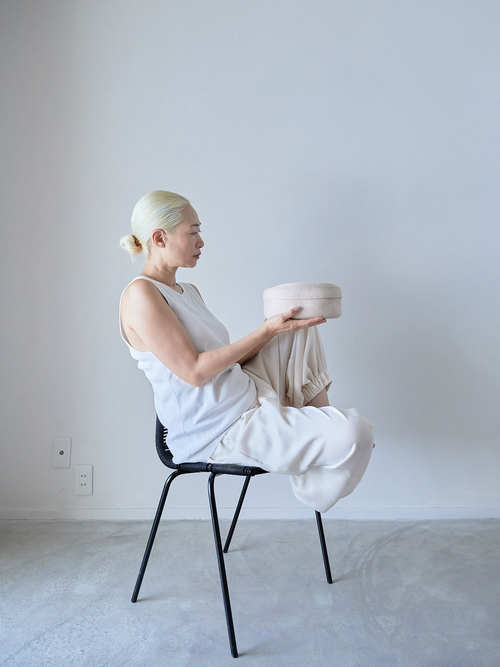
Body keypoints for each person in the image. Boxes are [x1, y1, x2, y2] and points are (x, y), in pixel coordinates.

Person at [118, 190, 375, 513]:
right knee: (358, 432)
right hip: (216, 429)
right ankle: (318, 460)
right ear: (160, 238)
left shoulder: (189, 292)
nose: (201, 242)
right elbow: (194, 372)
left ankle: (318, 429)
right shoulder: (141, 295)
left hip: (247, 395)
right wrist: (265, 331)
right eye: (193, 232)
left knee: (300, 322)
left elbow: (221, 362)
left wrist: (274, 329)